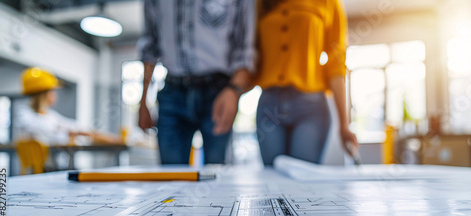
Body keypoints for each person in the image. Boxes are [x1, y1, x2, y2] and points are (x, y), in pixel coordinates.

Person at [137, 0, 256, 164]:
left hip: (219, 93)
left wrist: (234, 91)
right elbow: (150, 44)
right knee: (171, 177)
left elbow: (244, 49)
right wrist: (143, 101)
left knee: (217, 173)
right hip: (172, 91)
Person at [255, 0, 358, 165]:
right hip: (269, 105)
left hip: (310, 106)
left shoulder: (328, 3)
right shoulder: (260, 3)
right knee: (272, 178)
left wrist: (344, 125)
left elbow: (336, 65)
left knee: (303, 177)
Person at [15, 67, 122, 146]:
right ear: (45, 94)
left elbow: (73, 126)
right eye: (53, 91)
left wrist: (96, 134)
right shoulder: (24, 115)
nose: (55, 95)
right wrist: (71, 133)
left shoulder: (51, 116)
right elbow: (45, 132)